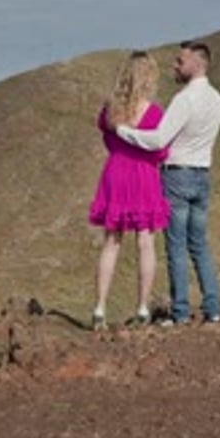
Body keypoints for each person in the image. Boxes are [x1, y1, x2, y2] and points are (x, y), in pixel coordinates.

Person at [117, 40, 220, 325]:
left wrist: (124, 131)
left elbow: (159, 139)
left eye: (180, 61)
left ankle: (180, 313)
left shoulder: (184, 99)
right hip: (203, 174)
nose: (175, 66)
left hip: (177, 174)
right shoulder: (217, 99)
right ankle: (213, 308)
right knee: (199, 244)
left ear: (197, 63)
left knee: (176, 246)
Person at [88, 51, 170, 329]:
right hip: (144, 175)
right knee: (145, 242)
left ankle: (99, 308)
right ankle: (143, 308)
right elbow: (162, 151)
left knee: (111, 243)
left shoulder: (110, 110)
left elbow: (107, 138)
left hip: (116, 172)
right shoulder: (155, 113)